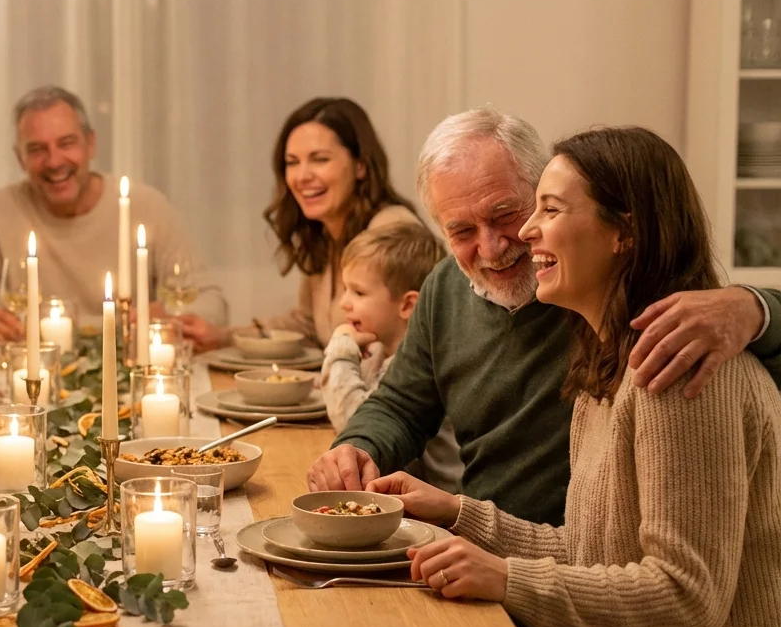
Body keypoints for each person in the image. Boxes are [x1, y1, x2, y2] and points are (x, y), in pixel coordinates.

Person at [325, 126, 780, 627]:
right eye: (531, 209)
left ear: (625, 232)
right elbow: (588, 548)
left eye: (543, 210)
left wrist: (507, 579)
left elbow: (686, 596)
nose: (525, 234)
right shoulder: (603, 359)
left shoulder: (680, 371)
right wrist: (457, 513)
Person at [305, 107, 781, 526]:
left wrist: (753, 306)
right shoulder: (445, 287)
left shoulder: (612, 297)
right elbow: (403, 404)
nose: (492, 247)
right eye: (462, 230)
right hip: (493, 551)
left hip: (567, 583)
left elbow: (673, 587)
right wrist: (357, 448)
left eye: (507, 213)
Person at [0, 85, 227, 343]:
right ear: (19, 158)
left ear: (91, 144)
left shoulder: (147, 206)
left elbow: (212, 302)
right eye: (37, 149)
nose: (54, 161)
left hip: (130, 368)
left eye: (66, 143)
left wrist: (173, 314)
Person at [180, 97, 420, 353]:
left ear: (360, 166)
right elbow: (308, 325)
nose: (302, 176)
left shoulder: (391, 232)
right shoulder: (324, 233)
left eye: (320, 159)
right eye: (292, 162)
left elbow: (415, 341)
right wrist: (223, 337)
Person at [321, 221, 461, 492]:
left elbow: (351, 419)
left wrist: (340, 350)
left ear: (407, 305)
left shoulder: (409, 363)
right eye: (345, 289)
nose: (344, 303)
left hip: (441, 505)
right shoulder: (377, 350)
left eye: (358, 292)